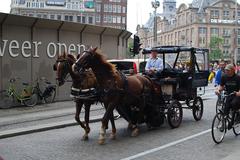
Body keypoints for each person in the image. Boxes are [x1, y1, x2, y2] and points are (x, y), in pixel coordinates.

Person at [215, 64, 240, 128]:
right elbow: (222, 86)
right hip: (229, 94)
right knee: (226, 107)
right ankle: (223, 123)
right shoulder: (224, 77)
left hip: (236, 95)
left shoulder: (237, 77)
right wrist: (218, 90)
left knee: (234, 103)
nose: (226, 71)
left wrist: (238, 93)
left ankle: (236, 118)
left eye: (228, 70)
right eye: (226, 70)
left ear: (233, 70)